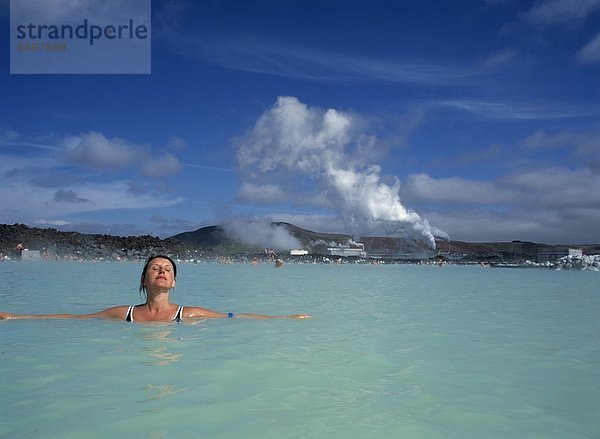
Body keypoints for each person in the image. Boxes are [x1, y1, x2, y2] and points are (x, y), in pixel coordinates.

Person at [0, 255, 311, 322]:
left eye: (168, 270)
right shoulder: (125, 313)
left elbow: (235, 316)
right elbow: (76, 318)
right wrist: (17, 317)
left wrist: (285, 319)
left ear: (173, 282)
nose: (162, 270)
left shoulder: (188, 314)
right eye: (155, 268)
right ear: (143, 279)